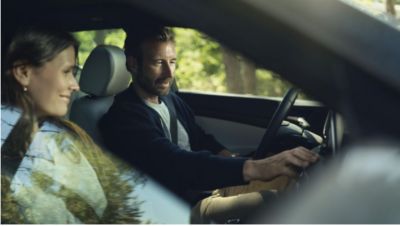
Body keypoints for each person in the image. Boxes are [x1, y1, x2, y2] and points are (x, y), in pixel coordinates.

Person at [99, 25, 319, 223]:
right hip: (181, 204)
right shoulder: (123, 120)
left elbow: (201, 138)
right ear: (133, 64)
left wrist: (235, 160)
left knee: (295, 179)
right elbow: (175, 162)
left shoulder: (170, 99)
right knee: (276, 200)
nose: (169, 73)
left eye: (172, 62)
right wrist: (255, 168)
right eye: (158, 63)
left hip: (207, 186)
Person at [1, 28, 142, 223]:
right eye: (67, 72)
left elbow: (123, 200)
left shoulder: (74, 134)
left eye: (74, 73)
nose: (75, 85)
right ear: (24, 73)